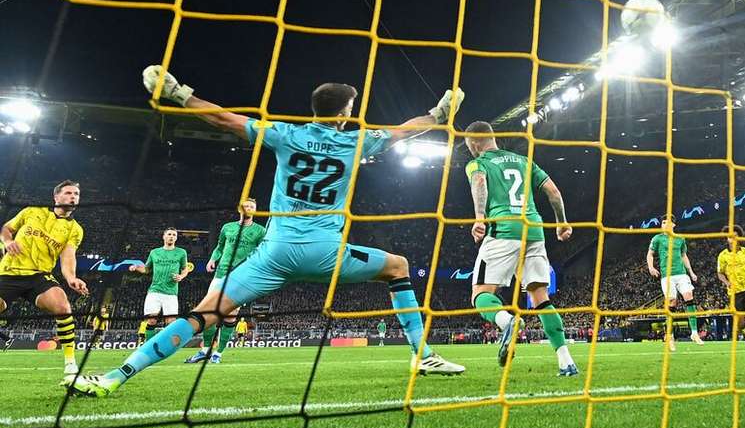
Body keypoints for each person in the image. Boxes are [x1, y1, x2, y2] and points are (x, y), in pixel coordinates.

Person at [69, 66, 466, 397]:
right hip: (327, 254)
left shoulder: (285, 134)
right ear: (346, 112)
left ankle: (113, 377)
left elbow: (223, 118)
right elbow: (404, 130)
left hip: (274, 255)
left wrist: (177, 93)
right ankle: (423, 354)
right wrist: (438, 114)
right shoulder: (355, 141)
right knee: (398, 266)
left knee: (203, 314)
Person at [463, 121, 578, 376]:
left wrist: (480, 217)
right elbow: (553, 191)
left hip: (503, 230)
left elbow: (479, 182)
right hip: (534, 231)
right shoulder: (524, 161)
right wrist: (561, 223)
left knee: (480, 294)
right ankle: (566, 361)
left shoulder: (478, 163)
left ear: (474, 143)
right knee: (541, 299)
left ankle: (507, 322)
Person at [0, 180, 88, 380]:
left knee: (63, 306)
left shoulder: (75, 229)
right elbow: (6, 228)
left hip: (39, 276)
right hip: (9, 272)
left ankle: (70, 363)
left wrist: (71, 278)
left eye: (76, 194)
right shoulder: (32, 211)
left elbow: (68, 257)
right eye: (68, 193)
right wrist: (7, 241)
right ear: (56, 197)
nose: (73, 197)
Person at [185, 199, 265, 364]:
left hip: (241, 277)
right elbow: (220, 247)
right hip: (221, 273)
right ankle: (205, 350)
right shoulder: (227, 227)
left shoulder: (260, 231)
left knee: (230, 316)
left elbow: (262, 253)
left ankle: (218, 353)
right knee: (208, 312)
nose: (248, 208)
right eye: (246, 206)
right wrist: (213, 259)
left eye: (252, 207)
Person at [646, 214, 702, 351]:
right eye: (663, 222)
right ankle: (669, 336)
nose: (664, 224)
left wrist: (691, 272)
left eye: (667, 222)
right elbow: (650, 254)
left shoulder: (680, 239)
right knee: (672, 302)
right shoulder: (657, 238)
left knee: (689, 297)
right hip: (667, 276)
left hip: (681, 274)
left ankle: (694, 333)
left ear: (674, 225)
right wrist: (651, 267)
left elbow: (684, 256)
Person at [128, 228, 189, 342]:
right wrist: (136, 267)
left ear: (176, 238)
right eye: (169, 234)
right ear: (164, 236)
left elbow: (185, 269)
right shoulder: (154, 252)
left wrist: (181, 276)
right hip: (154, 291)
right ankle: (149, 345)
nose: (171, 236)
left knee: (171, 322)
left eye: (174, 235)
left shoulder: (181, 252)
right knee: (151, 320)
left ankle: (166, 346)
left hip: (171, 292)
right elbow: (146, 269)